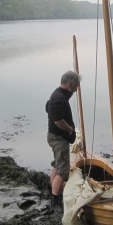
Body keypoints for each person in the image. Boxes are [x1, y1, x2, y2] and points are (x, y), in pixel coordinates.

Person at [46, 70, 79, 210]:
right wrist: (70, 130)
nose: (76, 90)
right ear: (70, 84)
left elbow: (47, 107)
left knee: (57, 165)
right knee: (63, 171)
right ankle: (55, 201)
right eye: (76, 87)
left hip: (55, 137)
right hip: (58, 138)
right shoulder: (59, 98)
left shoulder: (57, 94)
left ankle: (52, 188)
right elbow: (58, 121)